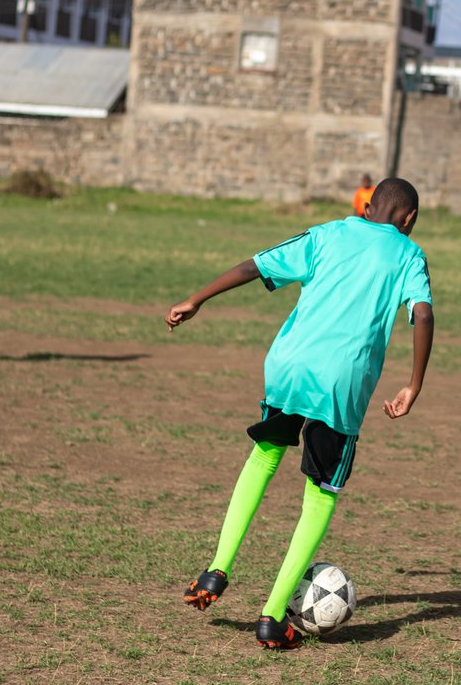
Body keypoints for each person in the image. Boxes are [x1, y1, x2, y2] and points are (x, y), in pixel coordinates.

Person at [170, 177, 434, 650]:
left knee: (263, 457)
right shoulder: (409, 255)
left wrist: (198, 298)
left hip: (288, 367)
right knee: (320, 495)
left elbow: (255, 264)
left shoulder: (328, 232)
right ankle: (272, 616)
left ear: (367, 205)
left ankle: (216, 569)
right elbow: (423, 314)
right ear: (409, 219)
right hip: (341, 384)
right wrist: (414, 383)